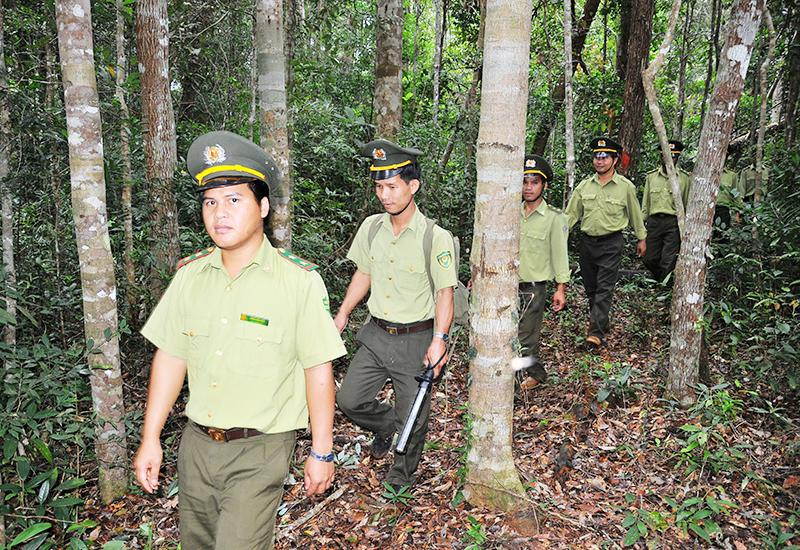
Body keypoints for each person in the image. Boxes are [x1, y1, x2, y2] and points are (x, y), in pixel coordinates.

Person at [132, 131, 346, 549]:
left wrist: (322, 450)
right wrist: (150, 437)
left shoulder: (298, 281)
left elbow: (317, 369)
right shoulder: (190, 277)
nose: (219, 213)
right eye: (210, 202)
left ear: (263, 207)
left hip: (260, 448)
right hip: (195, 446)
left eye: (234, 200)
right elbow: (171, 358)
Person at [334, 139, 457, 491]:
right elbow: (364, 274)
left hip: (415, 338)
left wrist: (439, 340)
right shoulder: (372, 227)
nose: (384, 195)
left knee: (413, 416)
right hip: (376, 334)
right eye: (378, 186)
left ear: (413, 186)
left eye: (391, 186)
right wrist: (343, 313)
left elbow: (444, 292)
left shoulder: (435, 237)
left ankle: (401, 476)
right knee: (350, 400)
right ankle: (386, 425)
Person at [565, 137, 646, 349]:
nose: (599, 161)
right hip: (587, 244)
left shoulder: (625, 187)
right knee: (591, 288)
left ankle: (595, 334)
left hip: (612, 243)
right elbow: (570, 216)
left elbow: (635, 213)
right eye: (596, 156)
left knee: (604, 288)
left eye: (604, 157)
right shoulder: (584, 186)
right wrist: (556, 236)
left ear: (615, 159)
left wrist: (641, 237)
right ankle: (601, 322)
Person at [517, 154, 570, 388]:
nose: (528, 187)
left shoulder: (553, 219)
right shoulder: (511, 213)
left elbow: (560, 254)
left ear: (544, 185)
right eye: (524, 181)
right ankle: (535, 373)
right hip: (507, 286)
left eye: (534, 182)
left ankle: (522, 380)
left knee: (525, 338)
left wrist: (561, 288)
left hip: (533, 288)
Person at [640, 140, 691, 282]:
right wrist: (641, 227)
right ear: (661, 156)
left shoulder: (685, 179)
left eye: (673, 156)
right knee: (649, 258)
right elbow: (646, 204)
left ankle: (662, 288)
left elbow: (687, 203)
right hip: (654, 222)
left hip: (673, 223)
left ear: (677, 158)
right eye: (666, 155)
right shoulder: (651, 177)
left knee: (668, 260)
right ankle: (659, 280)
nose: (669, 158)